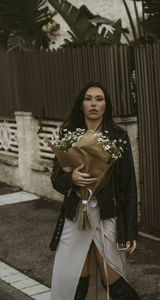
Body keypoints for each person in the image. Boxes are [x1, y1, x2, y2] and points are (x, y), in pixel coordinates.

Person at [49, 81, 140, 300]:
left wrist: (130, 230)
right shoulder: (68, 136)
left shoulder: (119, 138)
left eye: (99, 99)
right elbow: (56, 181)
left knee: (113, 280)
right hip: (76, 217)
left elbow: (128, 186)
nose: (93, 104)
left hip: (107, 218)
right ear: (81, 105)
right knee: (74, 283)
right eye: (88, 99)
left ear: (106, 105)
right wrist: (72, 178)